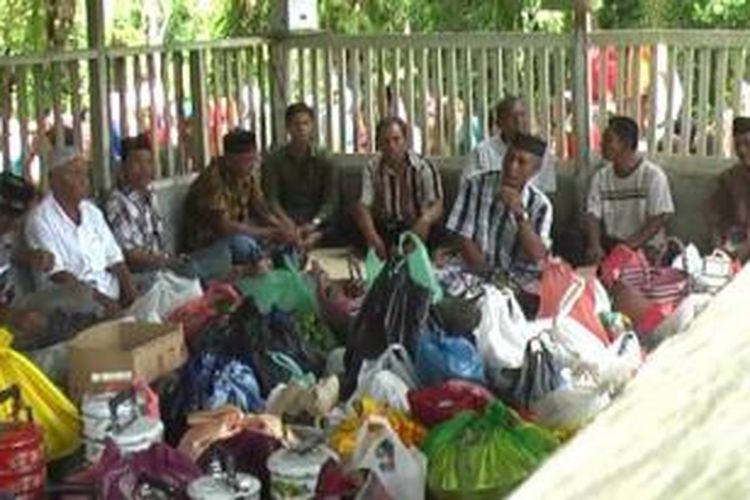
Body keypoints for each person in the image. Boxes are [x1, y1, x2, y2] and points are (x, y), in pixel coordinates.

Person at [25, 146, 138, 316]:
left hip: (108, 290)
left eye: (85, 173)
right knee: (88, 305)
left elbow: (115, 258)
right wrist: (106, 302)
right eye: (75, 173)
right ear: (53, 179)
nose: (84, 180)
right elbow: (59, 276)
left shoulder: (91, 212)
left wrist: (131, 292)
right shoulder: (40, 219)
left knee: (157, 283)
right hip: (74, 299)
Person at [447, 133, 552, 290]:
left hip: (518, 282)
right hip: (476, 272)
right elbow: (463, 237)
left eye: (521, 162)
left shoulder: (540, 205)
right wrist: (490, 277)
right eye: (509, 158)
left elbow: (538, 257)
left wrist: (519, 214)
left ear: (535, 170)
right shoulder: (475, 184)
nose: (512, 166)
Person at [181, 129, 294, 265]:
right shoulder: (212, 180)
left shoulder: (247, 176)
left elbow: (262, 211)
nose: (252, 165)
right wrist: (270, 233)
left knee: (284, 240)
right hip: (209, 246)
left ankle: (273, 258)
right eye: (247, 161)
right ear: (229, 160)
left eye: (254, 159)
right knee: (243, 245)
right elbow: (225, 227)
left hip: (238, 233)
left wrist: (282, 229)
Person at [585, 116, 675, 264]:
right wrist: (595, 246)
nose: (601, 144)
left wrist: (626, 248)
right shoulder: (600, 177)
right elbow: (593, 215)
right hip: (612, 244)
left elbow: (658, 219)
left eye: (608, 140)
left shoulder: (653, 176)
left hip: (645, 247)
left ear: (626, 144)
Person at [352, 116, 444, 259]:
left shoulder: (423, 166)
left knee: (437, 229)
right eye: (386, 142)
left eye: (396, 140)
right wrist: (373, 237)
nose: (391, 146)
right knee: (356, 225)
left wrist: (425, 220)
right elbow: (363, 205)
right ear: (379, 145)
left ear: (406, 141)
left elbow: (437, 205)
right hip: (387, 226)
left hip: (417, 225)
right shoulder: (372, 167)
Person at [262, 103, 339, 250]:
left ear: (312, 126)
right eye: (296, 124)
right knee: (266, 226)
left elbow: (331, 201)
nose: (301, 129)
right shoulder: (275, 159)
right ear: (288, 128)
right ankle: (292, 241)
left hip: (316, 218)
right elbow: (272, 198)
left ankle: (315, 238)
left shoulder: (325, 158)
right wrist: (285, 221)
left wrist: (314, 223)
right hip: (287, 215)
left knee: (342, 223)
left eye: (306, 123)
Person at [460, 95, 557, 194]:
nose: (519, 121)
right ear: (499, 123)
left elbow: (548, 192)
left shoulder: (541, 152)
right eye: (511, 116)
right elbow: (466, 188)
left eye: (522, 115)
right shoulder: (482, 152)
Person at [105, 133, 170, 273]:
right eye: (137, 163)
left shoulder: (150, 194)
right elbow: (130, 254)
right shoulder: (117, 202)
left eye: (148, 162)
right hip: (140, 275)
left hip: (160, 267)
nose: (144, 169)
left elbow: (159, 239)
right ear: (123, 167)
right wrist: (164, 262)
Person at [710, 116, 750, 262]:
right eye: (737, 145)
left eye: (747, 144)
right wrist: (718, 252)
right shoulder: (728, 178)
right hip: (733, 245)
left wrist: (738, 261)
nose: (742, 150)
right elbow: (715, 221)